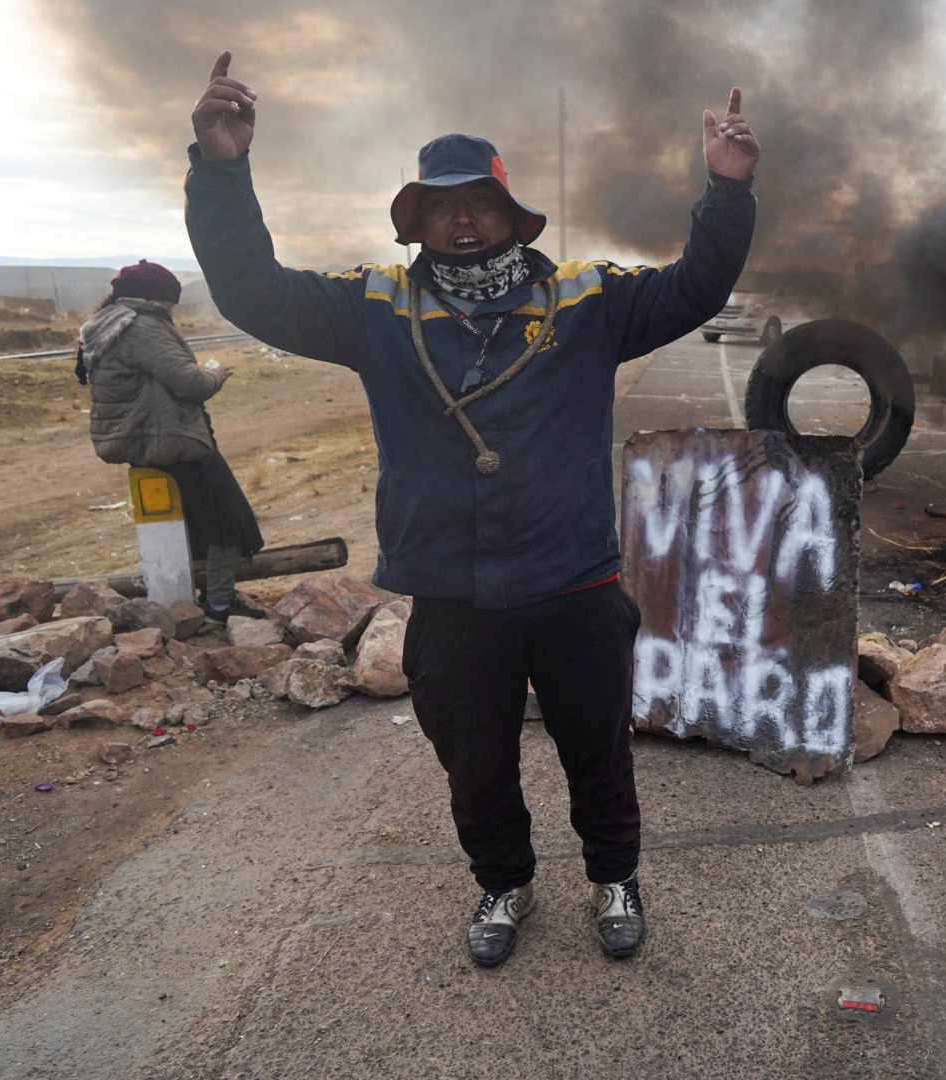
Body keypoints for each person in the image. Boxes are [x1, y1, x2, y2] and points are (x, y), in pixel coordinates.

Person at [184, 52, 758, 965]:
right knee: (475, 766)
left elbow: (695, 288)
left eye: (477, 203)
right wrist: (219, 169)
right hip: (451, 594)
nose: (460, 219)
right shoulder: (376, 306)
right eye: (439, 204)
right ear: (416, 221)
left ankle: (615, 875)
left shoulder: (587, 299)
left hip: (574, 579)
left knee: (598, 751)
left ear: (507, 213)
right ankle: (503, 883)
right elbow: (252, 289)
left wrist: (725, 193)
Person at [77, 259, 266, 622]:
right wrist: (216, 374)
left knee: (196, 525)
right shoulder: (142, 326)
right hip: (171, 443)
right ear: (157, 298)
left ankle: (196, 599)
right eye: (170, 302)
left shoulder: (106, 324)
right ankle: (221, 604)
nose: (171, 309)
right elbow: (190, 385)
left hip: (142, 442)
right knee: (231, 522)